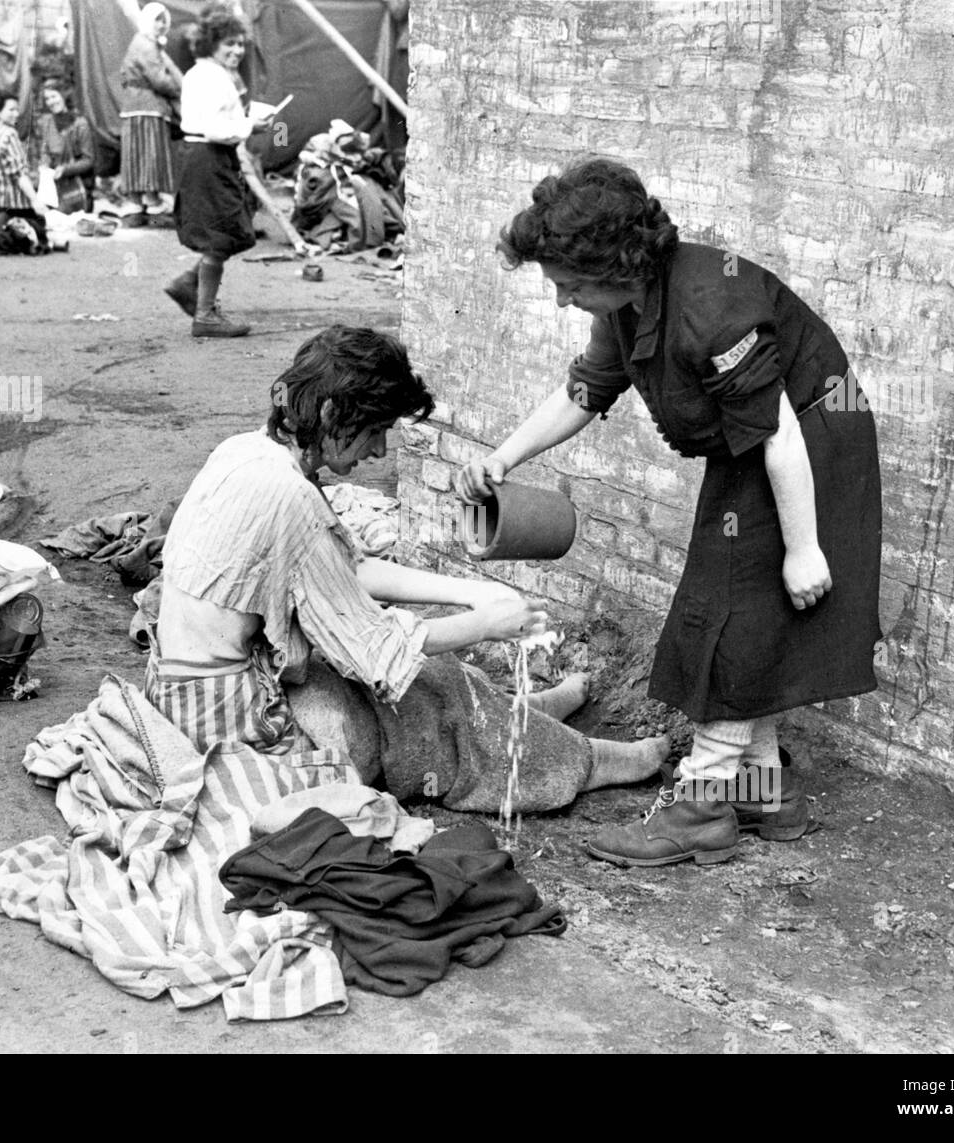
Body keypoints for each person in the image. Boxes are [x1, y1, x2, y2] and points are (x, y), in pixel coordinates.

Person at [456, 158, 882, 867]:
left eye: (568, 285)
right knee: (745, 609)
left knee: (730, 619)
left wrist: (804, 547)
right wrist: (504, 457)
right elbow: (585, 392)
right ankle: (762, 790)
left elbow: (778, 435)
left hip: (808, 447)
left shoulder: (711, 307)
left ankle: (703, 807)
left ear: (614, 266)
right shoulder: (628, 303)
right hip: (758, 450)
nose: (561, 300)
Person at [150, 325, 671, 816]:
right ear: (333, 413)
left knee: (437, 678)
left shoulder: (245, 452)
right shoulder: (287, 496)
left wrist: (472, 593)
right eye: (376, 431)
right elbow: (378, 654)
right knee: (427, 710)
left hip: (185, 693)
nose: (379, 449)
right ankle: (583, 760)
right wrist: (487, 625)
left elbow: (346, 572)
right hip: (235, 724)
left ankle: (522, 714)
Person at [167, 7, 268, 338]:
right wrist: (249, 125)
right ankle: (205, 313)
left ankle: (191, 285)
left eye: (240, 45)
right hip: (207, 155)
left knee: (227, 228)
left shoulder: (210, 74)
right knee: (220, 231)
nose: (237, 51)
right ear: (211, 43)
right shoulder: (209, 76)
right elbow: (214, 129)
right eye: (229, 44)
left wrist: (246, 123)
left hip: (211, 155)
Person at [118, 2, 183, 218]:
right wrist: (180, 90)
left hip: (135, 106)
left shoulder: (145, 43)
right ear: (147, 20)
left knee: (138, 153)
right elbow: (160, 81)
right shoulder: (146, 45)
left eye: (165, 20)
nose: (162, 25)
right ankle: (151, 200)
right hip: (147, 107)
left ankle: (138, 201)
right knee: (149, 152)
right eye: (157, 20)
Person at [0, 90, 50, 254]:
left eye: (17, 109)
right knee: (34, 227)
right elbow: (19, 174)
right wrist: (35, 200)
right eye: (11, 109)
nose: (16, 114)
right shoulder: (9, 134)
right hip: (12, 204)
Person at [33, 82, 96, 213]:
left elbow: (88, 161)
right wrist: (44, 165)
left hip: (76, 185)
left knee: (56, 215)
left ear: (64, 96)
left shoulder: (80, 124)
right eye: (47, 99)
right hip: (55, 184)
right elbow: (46, 150)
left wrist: (65, 170)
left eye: (54, 96)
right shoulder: (49, 122)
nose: (51, 102)